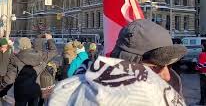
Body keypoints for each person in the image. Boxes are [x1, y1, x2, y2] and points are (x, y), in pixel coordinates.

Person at [48, 19, 187, 106]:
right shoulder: (80, 95)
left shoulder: (170, 90)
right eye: (156, 67)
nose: (167, 76)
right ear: (126, 62)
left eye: (169, 66)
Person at [0, 34, 57, 106]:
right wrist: (50, 40)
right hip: (35, 90)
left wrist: (2, 90)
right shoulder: (41, 56)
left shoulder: (15, 59)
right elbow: (53, 51)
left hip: (20, 91)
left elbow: (10, 79)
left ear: (20, 47)